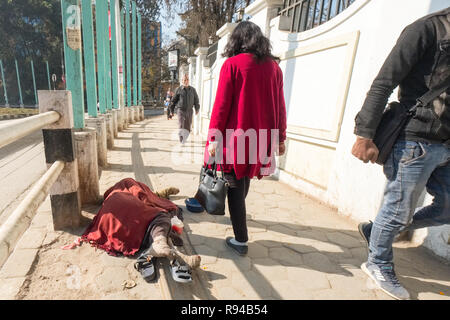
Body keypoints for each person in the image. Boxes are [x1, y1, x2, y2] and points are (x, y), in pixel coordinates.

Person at [352, 7, 450, 300]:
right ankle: (378, 262)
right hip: (415, 140)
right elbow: (384, 82)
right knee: (397, 211)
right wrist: (364, 133)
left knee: (446, 208)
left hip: (446, 144)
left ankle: (377, 230)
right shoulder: (427, 29)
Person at [205, 21, 287, 256]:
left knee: (234, 184)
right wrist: (280, 137)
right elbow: (280, 106)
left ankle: (240, 239)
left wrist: (213, 138)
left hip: (235, 138)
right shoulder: (274, 68)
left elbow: (221, 106)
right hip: (261, 138)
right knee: (243, 179)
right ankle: (238, 219)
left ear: (236, 41)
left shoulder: (232, 65)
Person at [169, 74, 200, 143]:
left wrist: (197, 108)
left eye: (187, 80)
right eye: (184, 80)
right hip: (181, 110)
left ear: (188, 80)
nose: (185, 81)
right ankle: (181, 140)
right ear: (182, 81)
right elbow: (173, 101)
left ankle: (184, 137)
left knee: (188, 127)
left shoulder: (193, 90)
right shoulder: (178, 89)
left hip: (189, 111)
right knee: (181, 125)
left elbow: (196, 100)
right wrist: (171, 111)